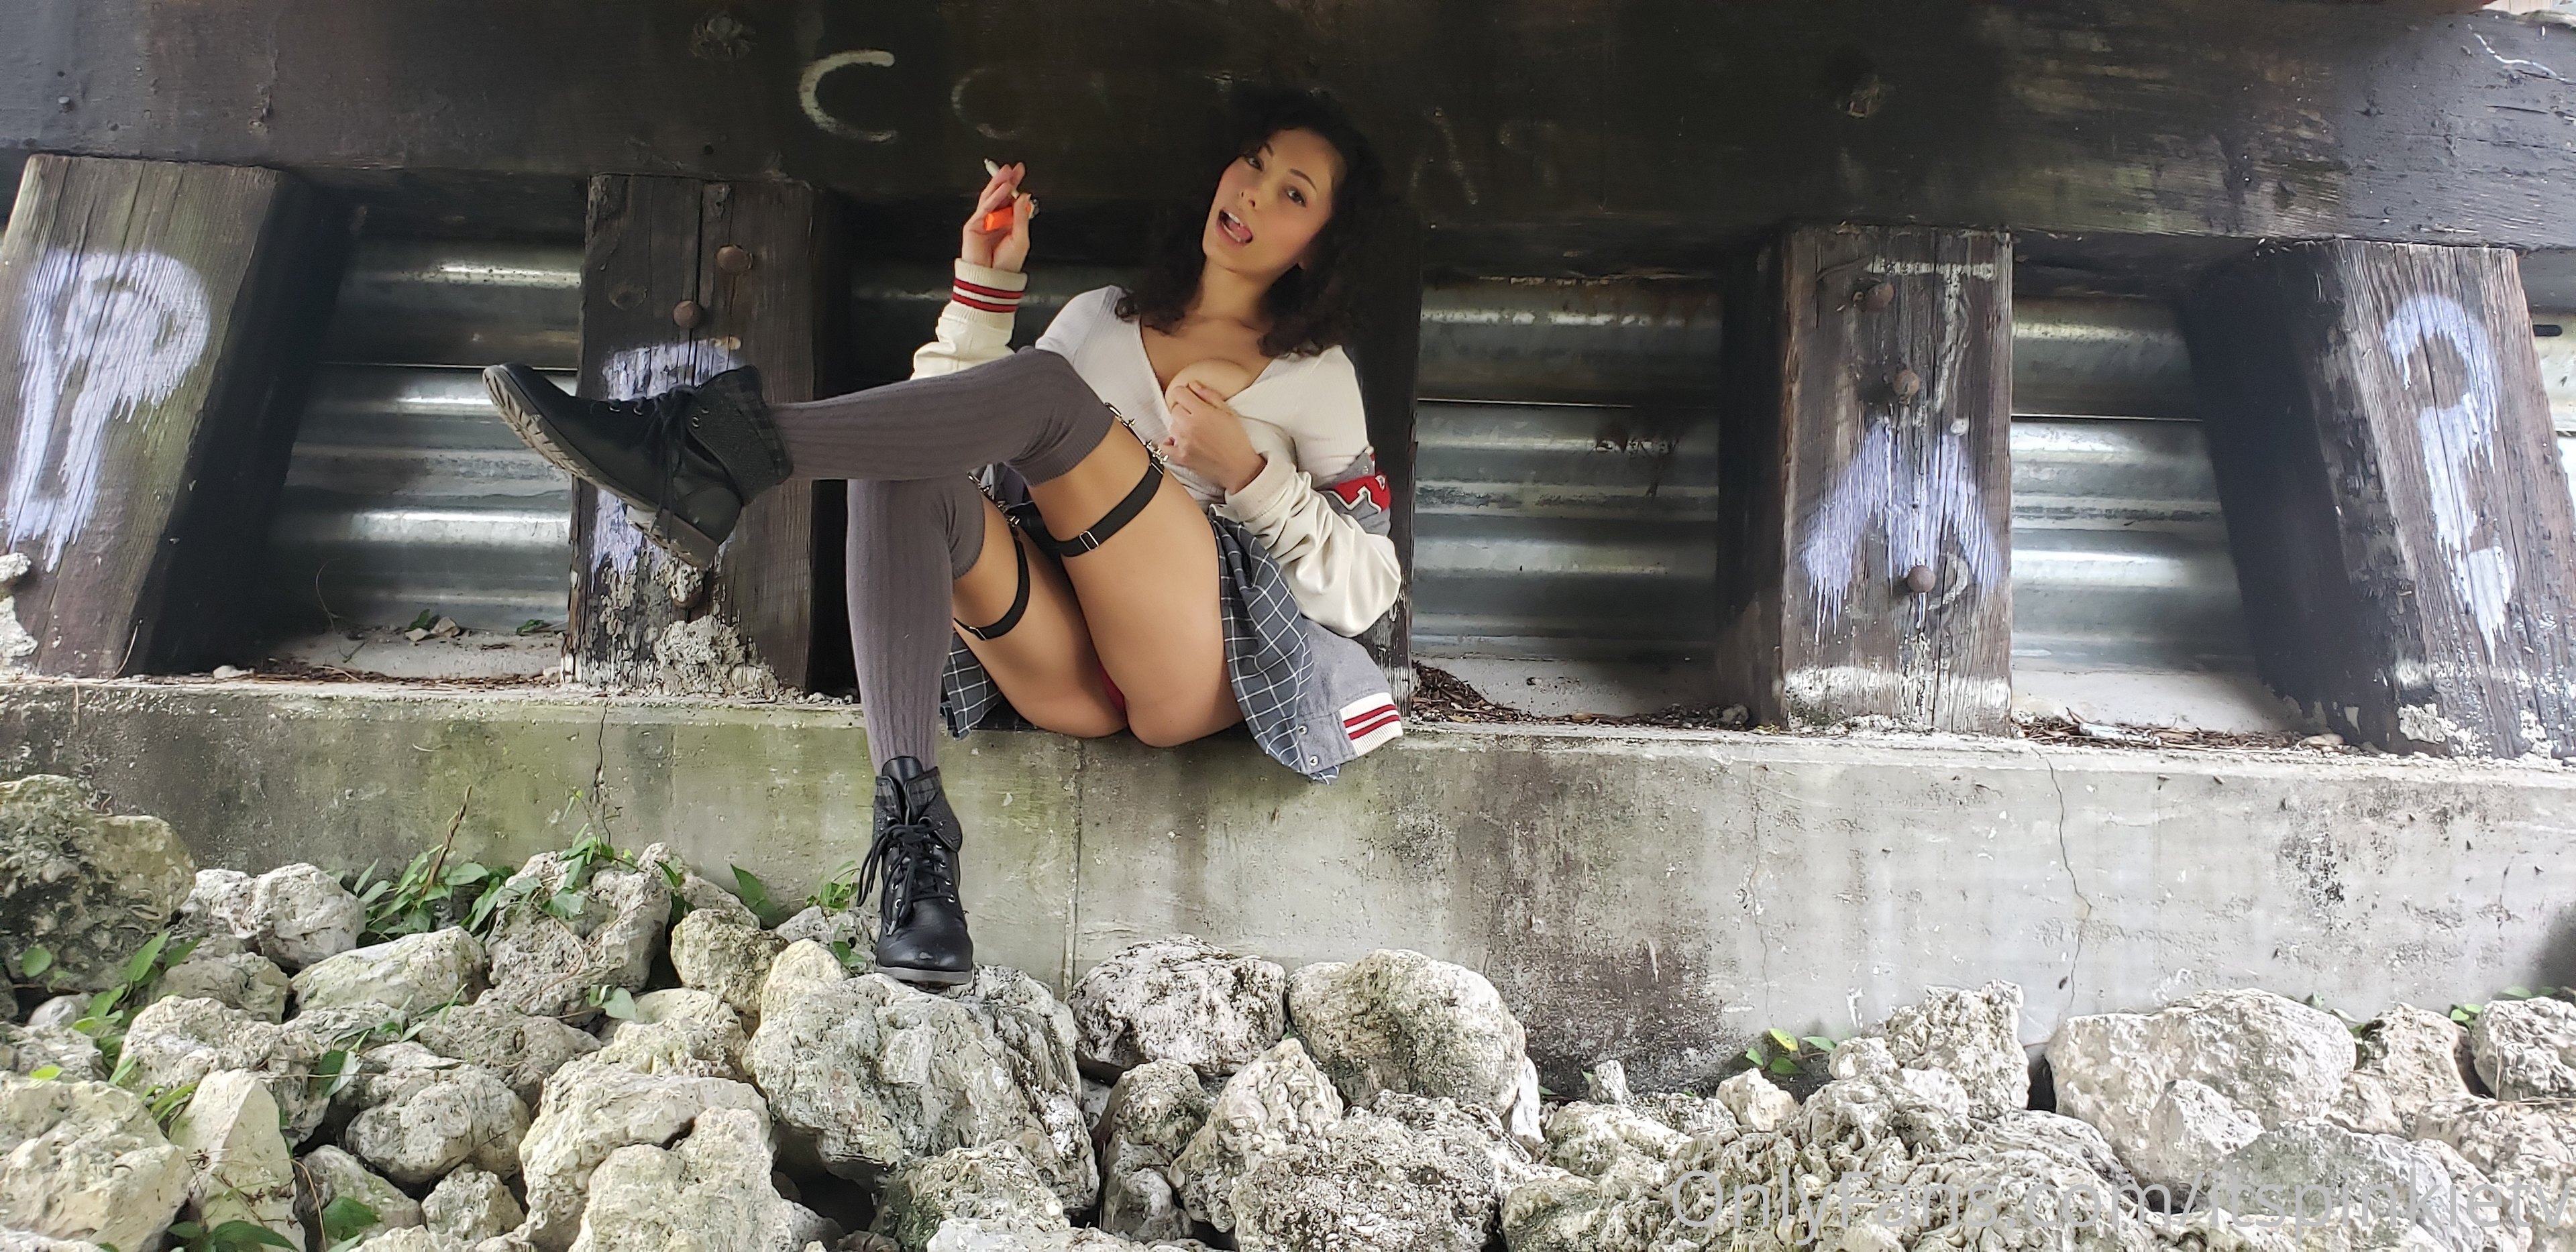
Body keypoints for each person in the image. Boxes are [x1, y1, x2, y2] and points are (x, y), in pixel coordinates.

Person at [480, 86, 1405, 986]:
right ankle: (915, 848)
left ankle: (697, 449)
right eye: (1252, 164)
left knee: (1045, 393)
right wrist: (985, 287)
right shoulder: (1102, 320)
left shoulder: (1314, 377)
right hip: (1068, 662)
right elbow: (930, 428)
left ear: (1320, 246)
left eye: (1294, 194)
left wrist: (1250, 474)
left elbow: (1367, 590)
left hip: (1193, 669)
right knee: (900, 467)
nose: (1253, 193)